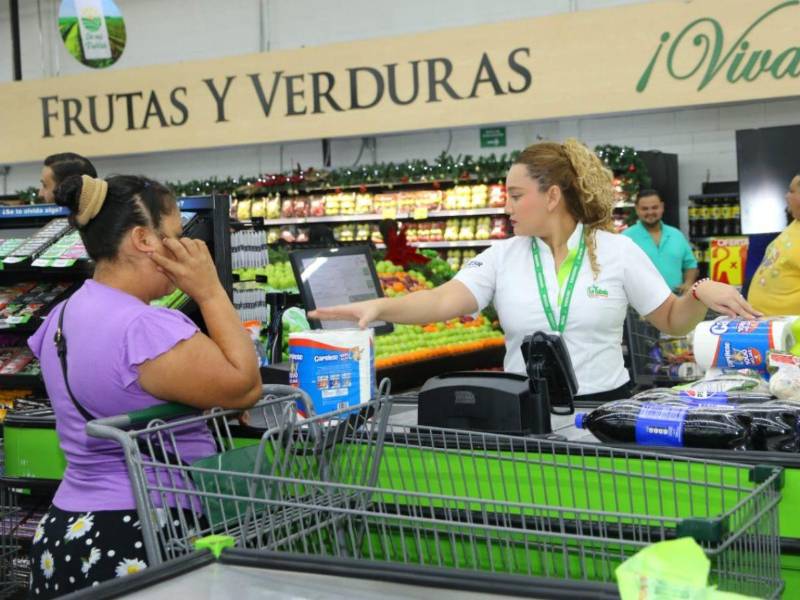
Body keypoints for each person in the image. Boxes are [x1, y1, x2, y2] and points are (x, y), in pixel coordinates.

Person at [310, 139, 757, 401]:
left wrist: (698, 293)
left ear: (552, 197)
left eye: (515, 195)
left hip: (599, 409)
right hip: (523, 410)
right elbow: (443, 299)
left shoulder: (616, 251)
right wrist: (380, 306)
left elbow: (669, 319)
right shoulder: (504, 256)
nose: (507, 207)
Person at [27, 174, 261, 598]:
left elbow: (120, 392)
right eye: (173, 235)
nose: (181, 247)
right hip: (145, 533)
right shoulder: (147, 328)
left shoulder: (61, 316)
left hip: (66, 531)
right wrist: (209, 292)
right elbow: (245, 387)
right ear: (143, 239)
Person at [623, 189, 698, 294]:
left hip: (676, 301)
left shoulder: (676, 235)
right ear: (637, 210)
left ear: (662, 207)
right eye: (645, 209)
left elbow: (690, 265)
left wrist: (688, 283)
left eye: (655, 207)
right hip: (640, 306)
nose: (650, 212)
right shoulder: (626, 238)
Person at [747, 174, 800, 315]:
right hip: (769, 326)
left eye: (792, 191)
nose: (786, 196)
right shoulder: (795, 224)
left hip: (792, 329)